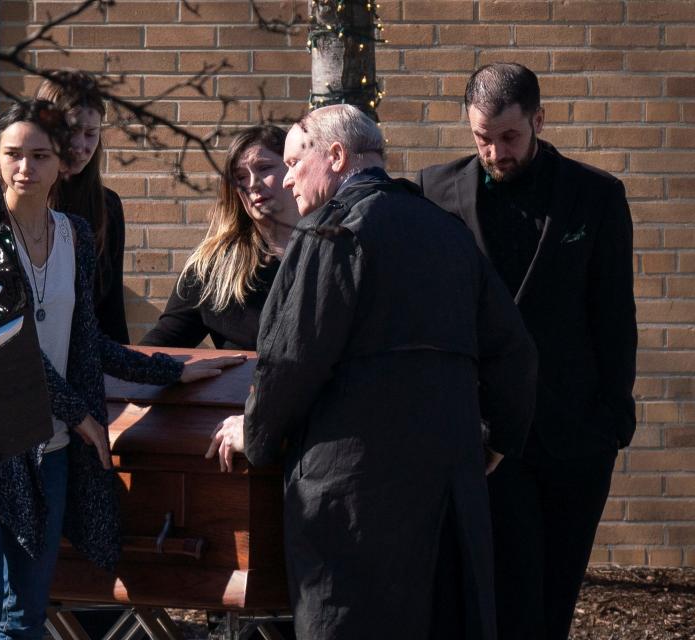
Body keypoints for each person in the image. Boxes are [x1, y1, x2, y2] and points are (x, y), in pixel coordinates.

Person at [209, 104, 538, 639]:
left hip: (352, 494)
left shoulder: (328, 235)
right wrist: (496, 442)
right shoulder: (449, 231)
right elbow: (516, 353)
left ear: (336, 156)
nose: (288, 178)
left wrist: (257, 433)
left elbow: (290, 359)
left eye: (295, 161)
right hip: (449, 484)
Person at [0, 99, 243, 639]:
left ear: (62, 165)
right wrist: (80, 414)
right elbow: (4, 349)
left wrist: (171, 370)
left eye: (39, 155)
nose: (24, 168)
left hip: (46, 446)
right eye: (12, 155)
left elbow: (86, 343)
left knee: (24, 615)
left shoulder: (75, 234)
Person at [416, 62, 638, 640]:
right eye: (481, 139)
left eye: (508, 137)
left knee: (554, 600)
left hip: (575, 432)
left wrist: (615, 419)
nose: (495, 152)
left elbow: (614, 315)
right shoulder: (433, 192)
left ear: (538, 120)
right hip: (481, 434)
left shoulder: (596, 196)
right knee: (499, 599)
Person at [141, 124, 300, 350]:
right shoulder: (214, 268)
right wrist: (181, 370)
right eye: (241, 177)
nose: (252, 184)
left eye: (264, 168)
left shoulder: (335, 248)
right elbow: (159, 346)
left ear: (293, 170)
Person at [36, 70, 129, 343]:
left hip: (87, 364)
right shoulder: (13, 202)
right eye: (72, 131)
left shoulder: (107, 207)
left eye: (91, 134)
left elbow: (111, 312)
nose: (80, 146)